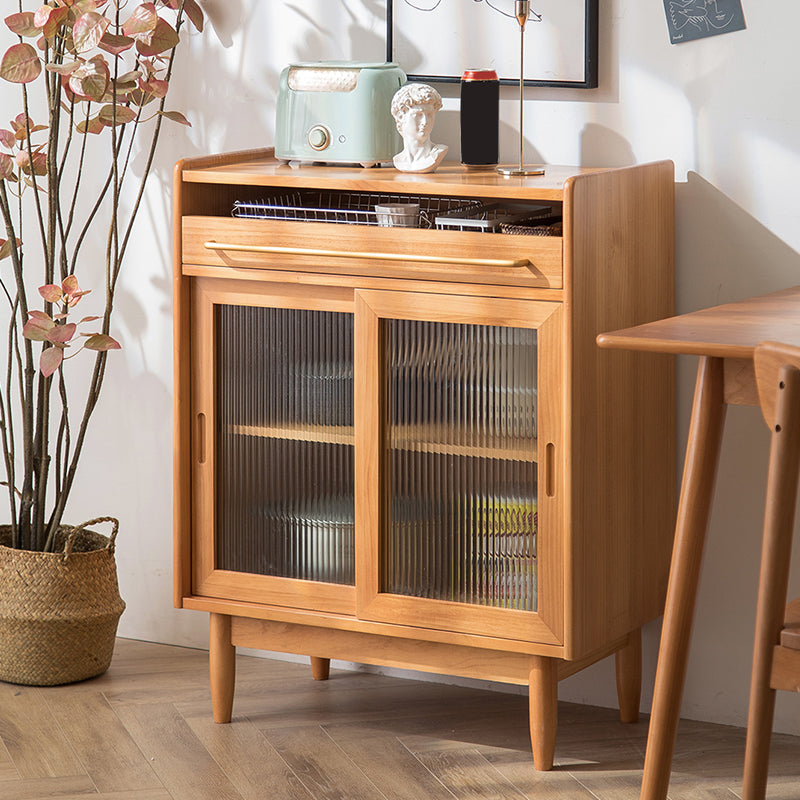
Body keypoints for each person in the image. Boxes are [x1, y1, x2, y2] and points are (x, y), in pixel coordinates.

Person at [390, 83, 449, 173]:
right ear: (401, 116)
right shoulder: (399, 160)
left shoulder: (438, 152)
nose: (425, 122)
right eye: (418, 115)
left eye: (429, 115)